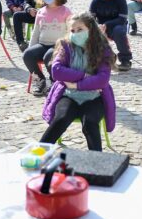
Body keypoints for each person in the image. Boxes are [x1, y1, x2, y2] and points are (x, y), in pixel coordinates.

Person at [39, 13, 116, 151]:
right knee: (61, 119)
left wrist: (76, 84)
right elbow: (57, 71)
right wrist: (85, 76)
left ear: (91, 29)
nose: (75, 34)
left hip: (95, 97)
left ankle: (98, 160)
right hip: (68, 94)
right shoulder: (66, 45)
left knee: (90, 124)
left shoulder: (103, 48)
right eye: (73, 30)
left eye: (80, 29)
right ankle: (37, 154)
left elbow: (102, 80)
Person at [25, 0, 71, 95]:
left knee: (48, 57)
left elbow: (71, 32)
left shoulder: (65, 12)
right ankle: (40, 81)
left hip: (58, 46)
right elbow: (36, 32)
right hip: (42, 44)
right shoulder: (41, 12)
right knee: (27, 55)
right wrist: (30, 49)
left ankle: (55, 82)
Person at [89, 0, 133, 70]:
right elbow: (90, 18)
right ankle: (103, 57)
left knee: (119, 31)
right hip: (100, 27)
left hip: (117, 26)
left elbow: (122, 19)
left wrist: (106, 24)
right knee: (89, 32)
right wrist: (97, 26)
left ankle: (125, 60)